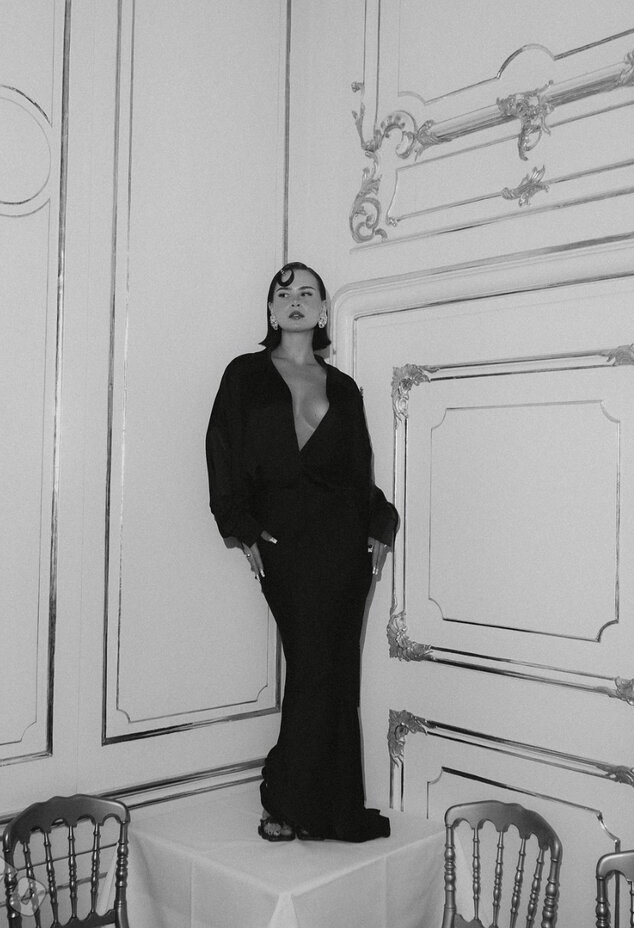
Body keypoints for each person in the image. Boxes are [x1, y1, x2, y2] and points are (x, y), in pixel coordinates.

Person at [205, 262, 399, 842]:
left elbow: (357, 470)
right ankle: (287, 794)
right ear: (271, 311)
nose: (295, 300)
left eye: (307, 293)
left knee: (334, 671)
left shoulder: (343, 388)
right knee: (314, 666)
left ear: (322, 312)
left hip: (343, 544)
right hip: (284, 543)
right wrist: (241, 526)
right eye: (284, 293)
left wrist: (379, 523)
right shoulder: (244, 375)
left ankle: (323, 805)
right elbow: (220, 450)